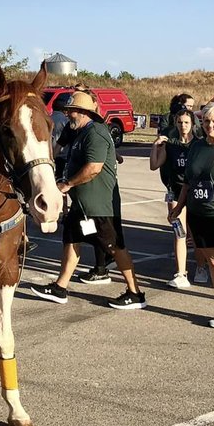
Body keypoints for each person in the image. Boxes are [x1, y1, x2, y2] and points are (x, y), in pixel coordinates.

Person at [31, 91, 145, 309]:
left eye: (71, 111)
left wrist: (68, 184)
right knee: (71, 240)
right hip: (82, 206)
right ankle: (60, 287)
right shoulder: (80, 133)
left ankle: (135, 293)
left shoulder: (96, 133)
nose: (67, 115)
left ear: (84, 112)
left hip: (100, 206)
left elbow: (94, 168)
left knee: (115, 247)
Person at [170, 102, 214, 327]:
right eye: (207, 121)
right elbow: (188, 182)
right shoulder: (197, 146)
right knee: (213, 263)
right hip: (198, 215)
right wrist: (179, 207)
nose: (210, 126)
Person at [151, 107, 200, 288]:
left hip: (195, 193)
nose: (183, 126)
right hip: (176, 192)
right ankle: (181, 273)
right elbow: (154, 165)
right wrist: (155, 146)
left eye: (186, 122)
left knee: (198, 234)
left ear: (193, 124)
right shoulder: (170, 144)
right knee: (179, 232)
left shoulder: (199, 145)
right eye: (180, 122)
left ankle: (201, 266)